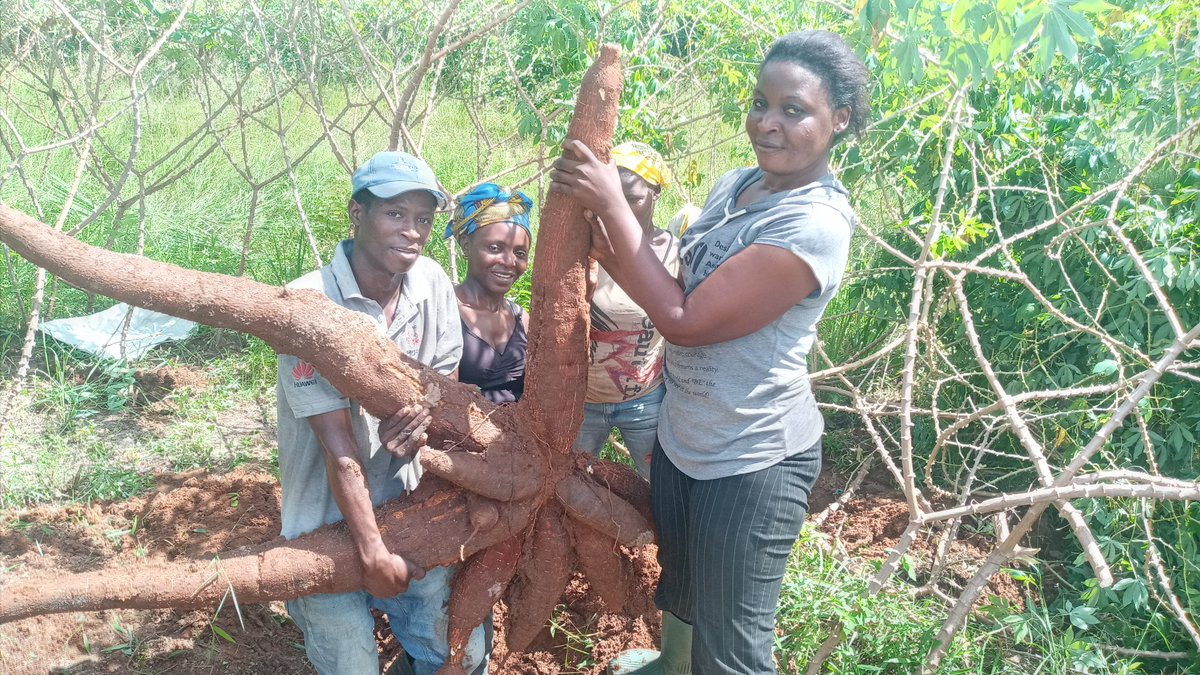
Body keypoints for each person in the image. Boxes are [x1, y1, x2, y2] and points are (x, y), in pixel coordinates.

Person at [550, 30, 870, 675]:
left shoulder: (814, 224)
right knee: (684, 586)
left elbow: (684, 318)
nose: (767, 123)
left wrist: (613, 200)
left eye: (793, 110)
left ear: (839, 121)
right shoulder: (736, 187)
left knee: (734, 647)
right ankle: (670, 666)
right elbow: (666, 275)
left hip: (752, 456)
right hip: (685, 431)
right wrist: (595, 219)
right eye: (760, 102)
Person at [276, 150, 489, 675]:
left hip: (409, 509)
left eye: (423, 219)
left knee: (460, 656)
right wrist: (371, 553)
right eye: (395, 214)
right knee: (352, 667)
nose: (412, 232)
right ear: (357, 213)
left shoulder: (432, 281)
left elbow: (442, 389)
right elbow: (338, 445)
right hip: (322, 527)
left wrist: (419, 420)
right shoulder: (308, 303)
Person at [573, 142, 680, 478]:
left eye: (631, 198)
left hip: (645, 400)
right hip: (582, 401)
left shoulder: (676, 254)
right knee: (567, 480)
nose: (619, 209)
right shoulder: (585, 245)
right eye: (612, 196)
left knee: (658, 485)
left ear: (656, 193)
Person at [447, 183, 533, 405]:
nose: (509, 262)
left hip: (517, 438)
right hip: (457, 436)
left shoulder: (522, 320)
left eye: (520, 253)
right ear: (466, 246)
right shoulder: (445, 313)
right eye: (495, 248)